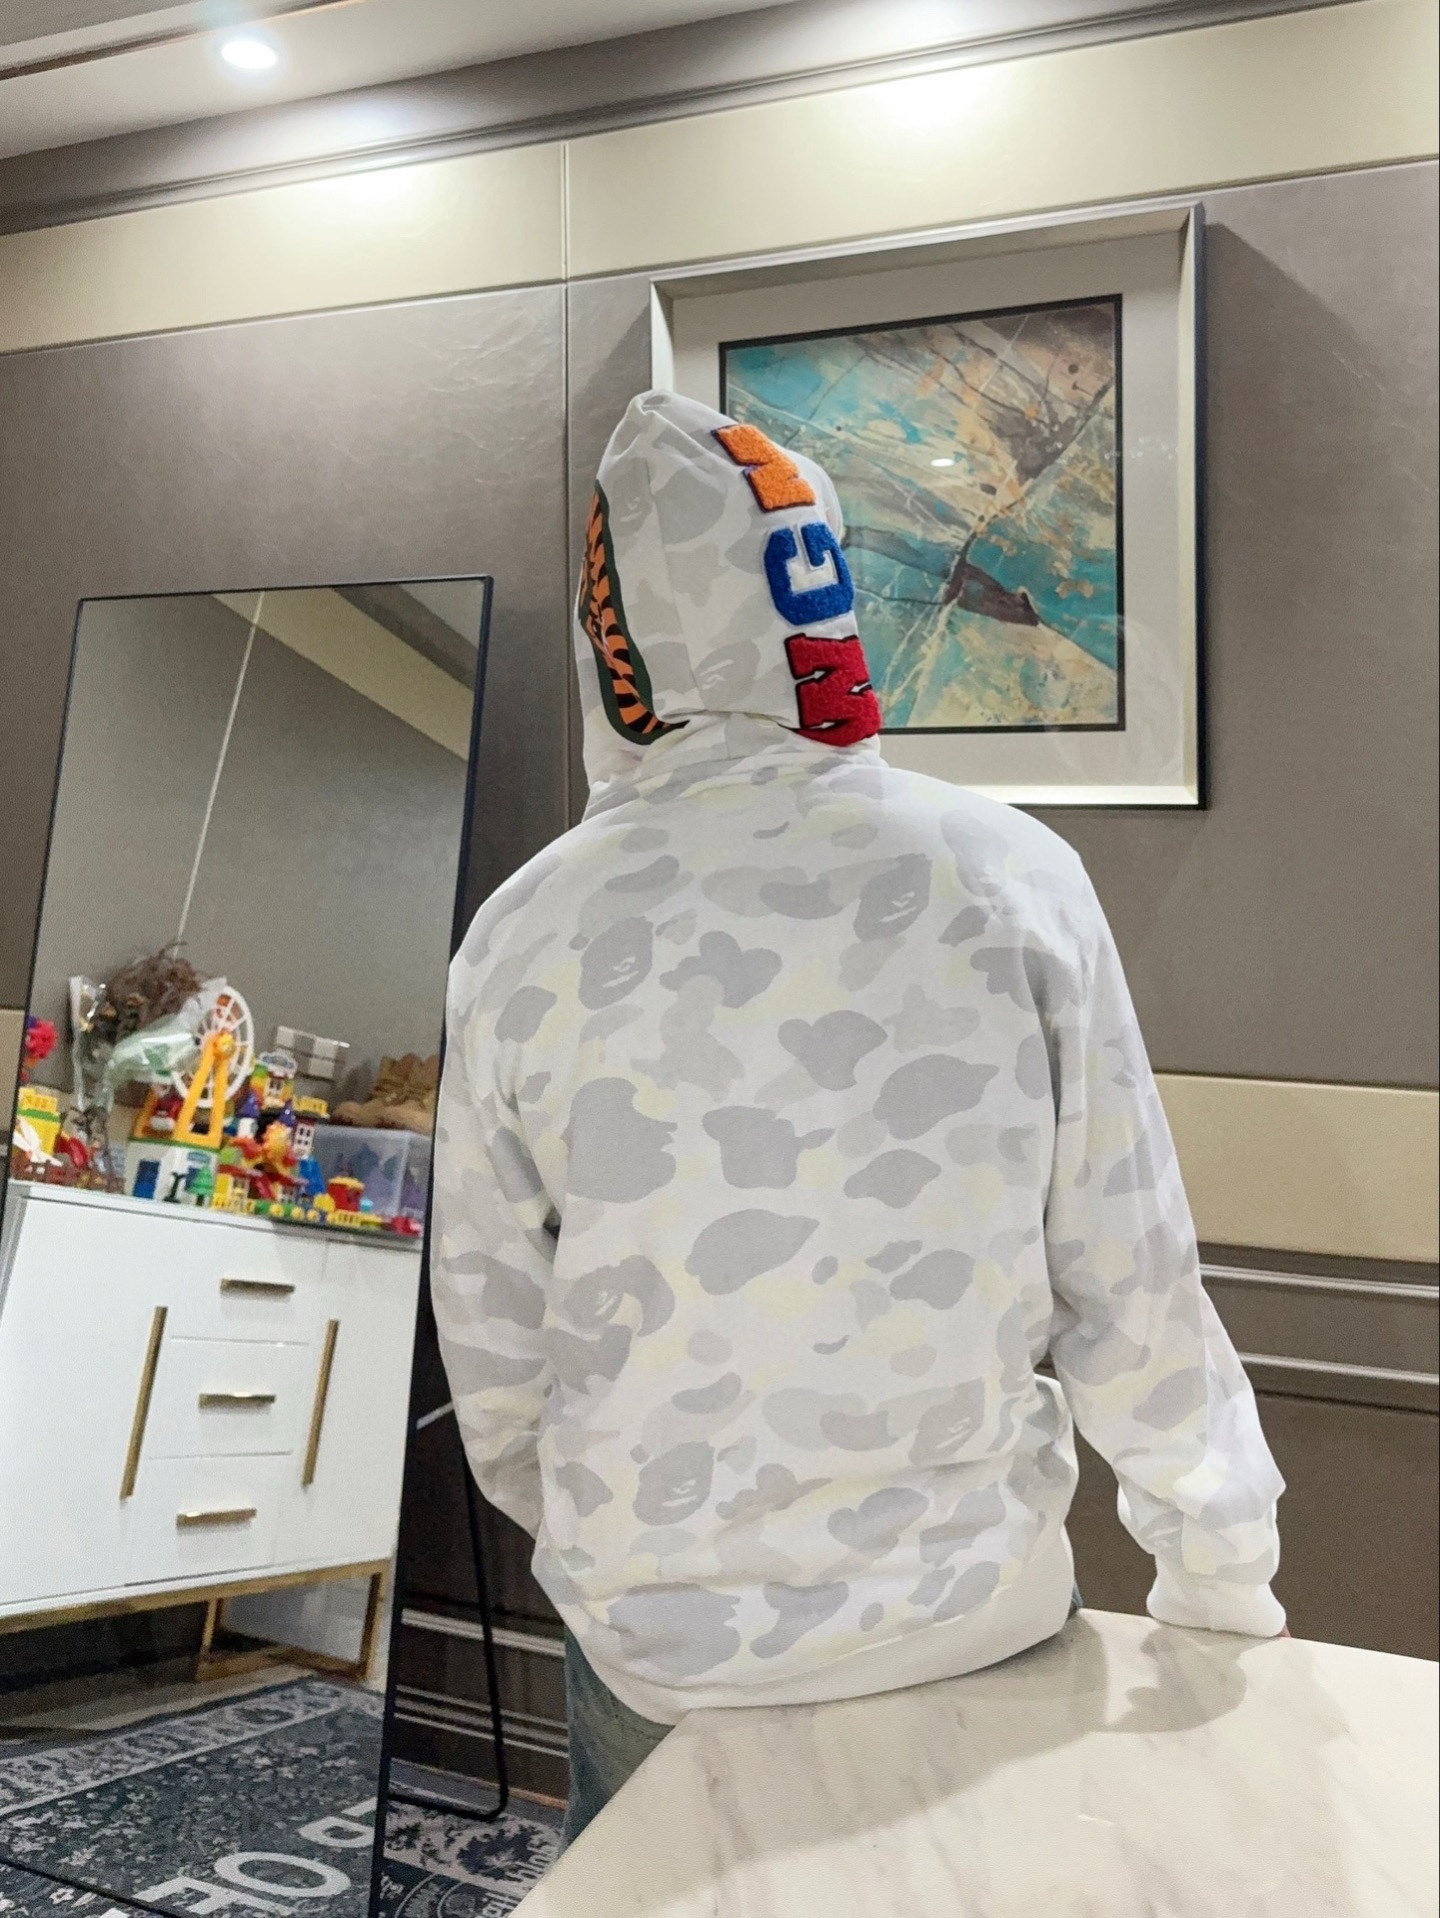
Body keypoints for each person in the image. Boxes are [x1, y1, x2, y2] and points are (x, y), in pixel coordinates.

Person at [430, 390, 1285, 1845]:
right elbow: (1130, 1274)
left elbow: (498, 1352)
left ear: (611, 641)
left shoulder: (522, 936)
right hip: (972, 1620)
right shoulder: (1014, 877)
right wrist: (1221, 1572)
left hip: (662, 1645)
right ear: (821, 598)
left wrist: (629, 1547)